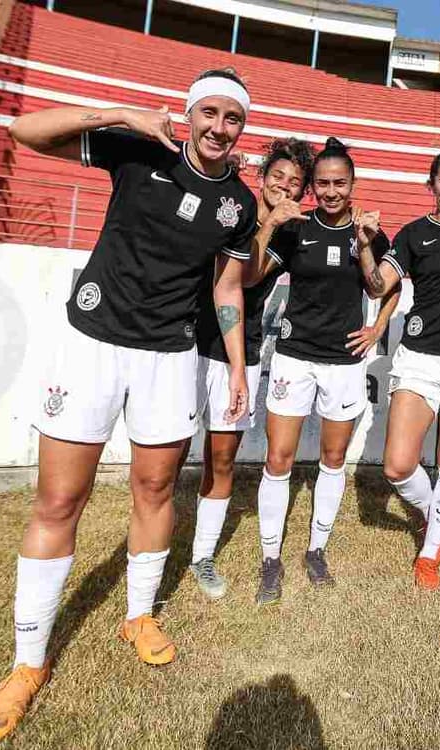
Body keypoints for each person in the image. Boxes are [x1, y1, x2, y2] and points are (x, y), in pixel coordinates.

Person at [0, 69, 258, 744]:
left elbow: (228, 288)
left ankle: (138, 614)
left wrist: (239, 366)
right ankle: (27, 663)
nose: (220, 128)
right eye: (209, 113)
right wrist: (121, 112)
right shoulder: (139, 151)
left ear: (243, 127)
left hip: (169, 357)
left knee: (156, 487)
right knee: (58, 501)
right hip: (91, 344)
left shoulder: (239, 205)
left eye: (233, 119)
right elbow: (23, 131)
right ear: (189, 113)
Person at [242, 137, 398, 605]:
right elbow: (250, 276)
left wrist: (376, 329)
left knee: (332, 460)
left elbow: (381, 289)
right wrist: (269, 222)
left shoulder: (370, 232)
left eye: (340, 183)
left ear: (353, 185)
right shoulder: (295, 228)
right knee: (279, 459)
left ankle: (315, 550)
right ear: (313, 187)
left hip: (345, 364)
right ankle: (271, 559)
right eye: (323, 183)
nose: (331, 191)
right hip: (294, 356)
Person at [187, 137, 315, 599]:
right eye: (277, 177)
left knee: (221, 457)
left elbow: (244, 277)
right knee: (169, 453)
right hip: (183, 339)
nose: (284, 187)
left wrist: (272, 225)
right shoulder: (234, 206)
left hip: (239, 351)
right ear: (261, 178)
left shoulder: (287, 231)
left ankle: (201, 556)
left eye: (295, 183)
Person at [354, 151, 440, 592]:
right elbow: (377, 286)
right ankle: (438, 518)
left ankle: (430, 550)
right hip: (419, 358)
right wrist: (366, 245)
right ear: (430, 186)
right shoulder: (413, 234)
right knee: (397, 465)